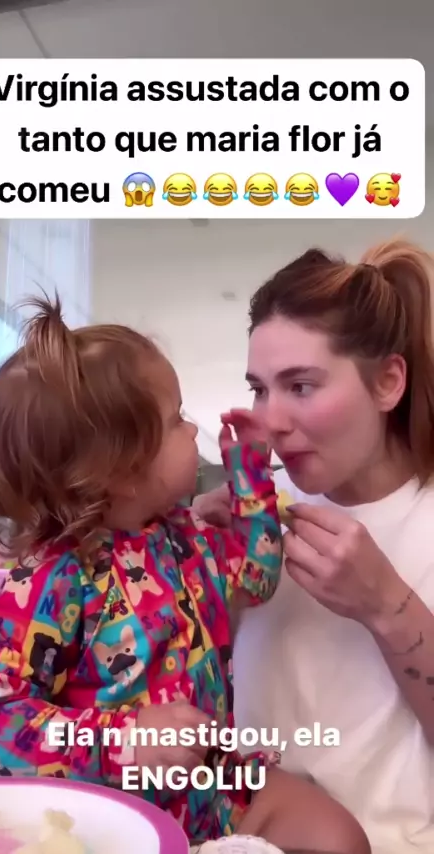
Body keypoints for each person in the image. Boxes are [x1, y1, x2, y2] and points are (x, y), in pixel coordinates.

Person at [0, 296, 369, 854]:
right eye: (176, 418)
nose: (193, 428)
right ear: (122, 468)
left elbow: (257, 577)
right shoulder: (53, 580)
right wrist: (126, 739)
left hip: (215, 785)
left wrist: (250, 473)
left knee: (338, 837)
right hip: (115, 816)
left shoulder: (184, 534)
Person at [193, 238, 434, 854]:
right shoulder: (258, 519)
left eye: (300, 386)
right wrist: (185, 568)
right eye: (260, 389)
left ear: (388, 383)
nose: (270, 420)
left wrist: (387, 607)